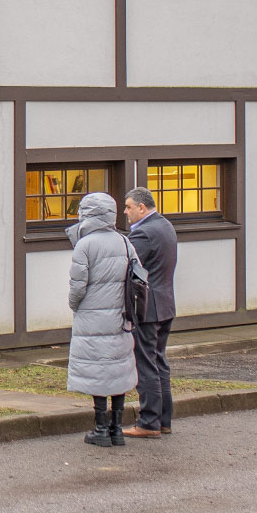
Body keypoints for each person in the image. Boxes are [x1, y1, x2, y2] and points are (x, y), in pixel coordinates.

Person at [66, 191, 139, 447]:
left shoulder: (85, 244)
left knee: (98, 371)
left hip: (92, 317)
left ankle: (100, 428)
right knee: (118, 369)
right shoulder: (124, 242)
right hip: (120, 316)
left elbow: (77, 286)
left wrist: (75, 306)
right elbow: (138, 276)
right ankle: (117, 429)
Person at [121, 187, 179, 439]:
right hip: (165, 303)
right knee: (159, 362)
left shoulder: (144, 233)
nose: (125, 212)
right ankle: (163, 420)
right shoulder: (164, 225)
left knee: (146, 364)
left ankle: (148, 422)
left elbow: (126, 263)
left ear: (141, 208)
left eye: (128, 207)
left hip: (148, 308)